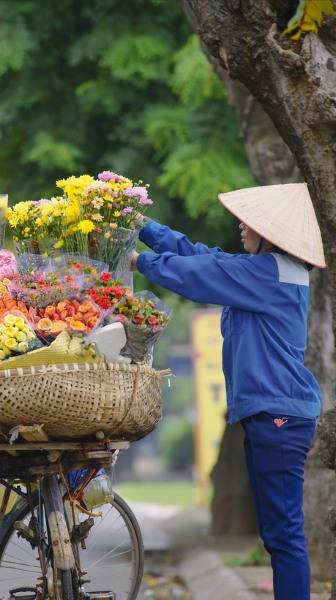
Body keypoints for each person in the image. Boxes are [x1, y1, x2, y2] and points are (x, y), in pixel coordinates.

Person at [130, 183, 324, 600]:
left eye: (248, 222)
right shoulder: (267, 269)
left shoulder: (268, 273)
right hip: (275, 415)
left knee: (284, 534)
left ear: (270, 233)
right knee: (278, 534)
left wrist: (139, 260)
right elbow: (202, 256)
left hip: (281, 417)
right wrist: (138, 224)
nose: (240, 226)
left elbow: (200, 274)